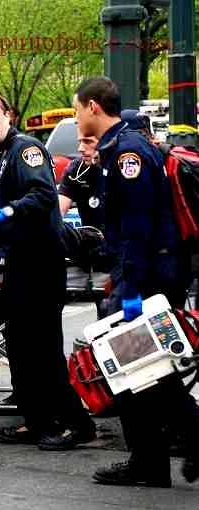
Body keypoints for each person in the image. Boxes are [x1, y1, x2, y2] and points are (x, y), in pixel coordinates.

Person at [73, 77, 197, 487]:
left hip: (149, 271)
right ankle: (150, 460)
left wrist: (131, 289)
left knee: (145, 368)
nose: (76, 118)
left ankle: (176, 446)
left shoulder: (128, 152)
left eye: (76, 110)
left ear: (93, 107)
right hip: (146, 270)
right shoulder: (119, 149)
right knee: (139, 370)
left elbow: (139, 225)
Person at [0, 90, 96, 451]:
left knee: (42, 348)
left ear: (8, 115)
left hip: (41, 263)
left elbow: (42, 196)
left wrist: (4, 213)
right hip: (19, 262)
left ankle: (77, 423)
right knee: (21, 348)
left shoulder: (27, 150)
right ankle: (37, 418)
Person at [58, 131, 104, 230]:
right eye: (80, 142)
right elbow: (59, 210)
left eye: (88, 142)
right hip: (92, 238)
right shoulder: (76, 169)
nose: (80, 149)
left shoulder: (118, 165)